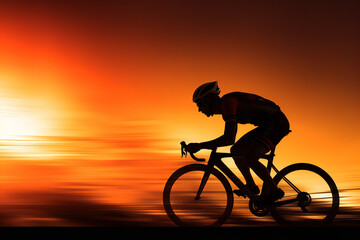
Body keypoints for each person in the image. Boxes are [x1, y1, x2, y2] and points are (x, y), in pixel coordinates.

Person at [187, 81, 290, 202]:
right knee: (236, 150)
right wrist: (203, 145)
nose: (199, 109)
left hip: (277, 123)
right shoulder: (226, 106)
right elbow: (229, 139)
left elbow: (229, 138)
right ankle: (251, 186)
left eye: (200, 104)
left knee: (251, 157)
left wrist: (201, 145)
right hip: (266, 125)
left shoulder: (228, 103)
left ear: (210, 100)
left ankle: (274, 190)